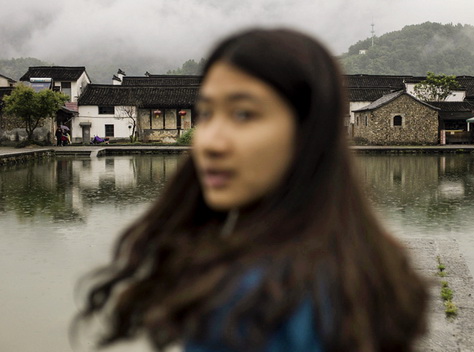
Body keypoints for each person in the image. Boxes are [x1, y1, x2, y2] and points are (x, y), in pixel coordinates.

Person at [74, 28, 429, 352]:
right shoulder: (371, 269)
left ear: (307, 132)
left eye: (243, 114)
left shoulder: (247, 298)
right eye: (207, 114)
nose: (209, 141)